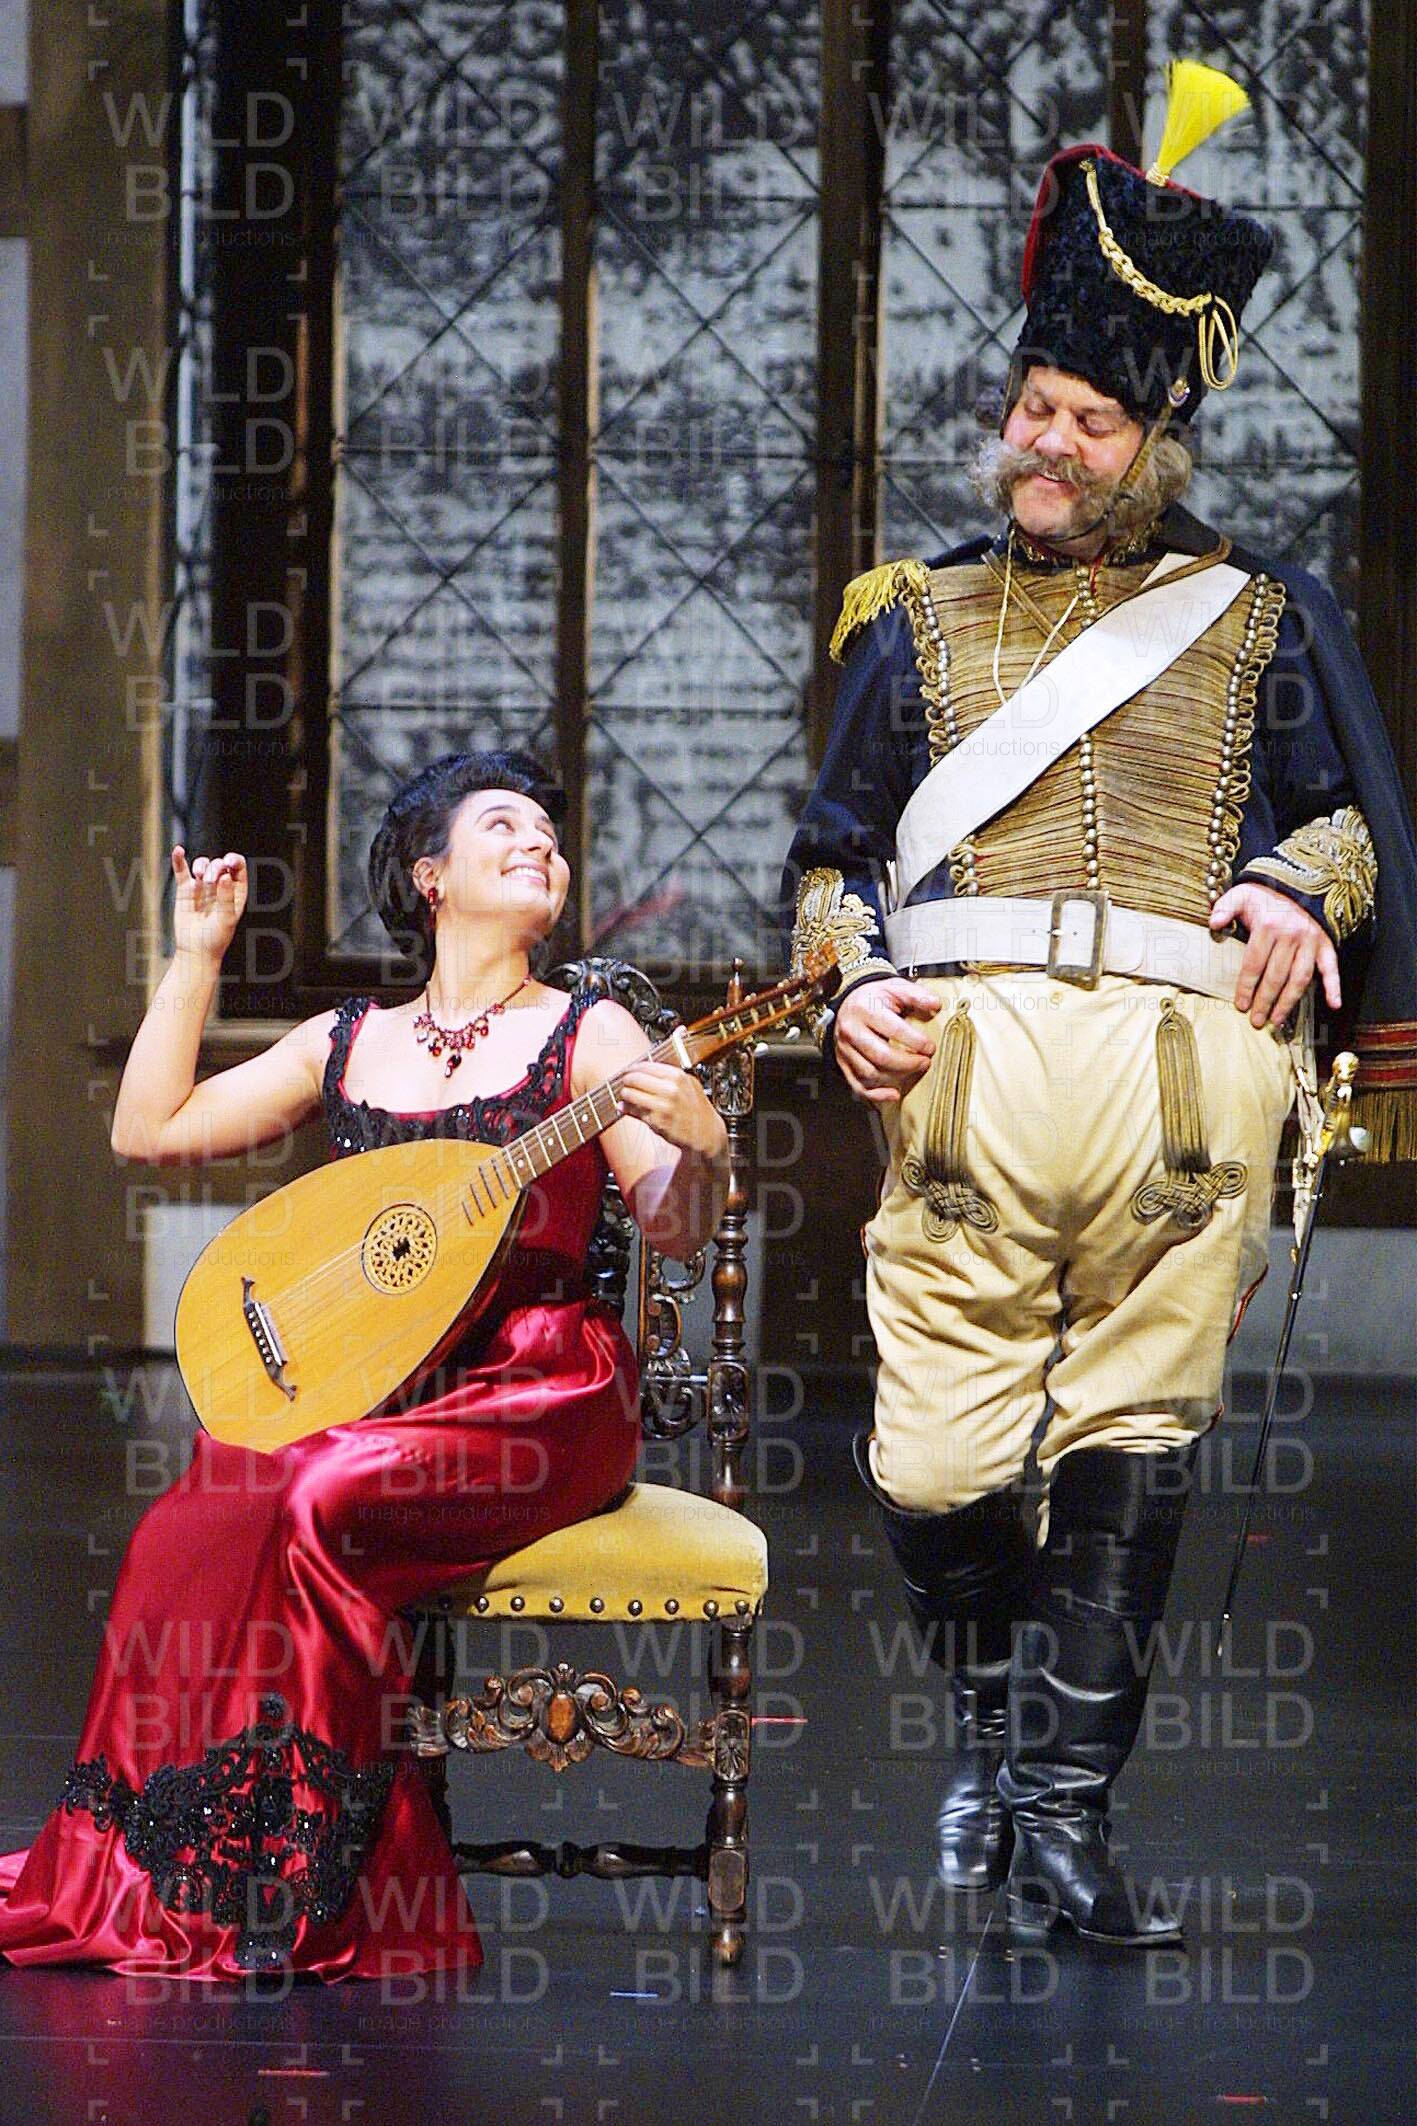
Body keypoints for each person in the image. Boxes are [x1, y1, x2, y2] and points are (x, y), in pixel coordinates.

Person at [784, 64, 1416, 1947]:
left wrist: (1296, 885)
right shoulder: (910, 615)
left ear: (1157, 441)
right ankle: (1002, 1737)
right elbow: (833, 857)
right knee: (934, 1467)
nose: (1043, 442)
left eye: (1085, 418)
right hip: (964, 1073)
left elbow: (1346, 820)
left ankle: (1062, 1814)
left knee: (1134, 1443)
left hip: (1179, 1078)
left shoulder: (1262, 612)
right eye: (1031, 409)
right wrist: (847, 985)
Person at [0, 748, 729, 1981]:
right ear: (429, 876)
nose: (540, 842)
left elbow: (674, 1224)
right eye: (504, 824)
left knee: (316, 1494)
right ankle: (168, 1861)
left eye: (551, 834)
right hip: (378, 1385)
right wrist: (196, 954)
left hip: (544, 1385)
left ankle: (309, 1886)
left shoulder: (591, 1031)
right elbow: (146, 1127)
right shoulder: (348, 1039)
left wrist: (702, 1148)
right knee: (191, 1515)